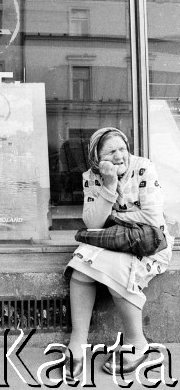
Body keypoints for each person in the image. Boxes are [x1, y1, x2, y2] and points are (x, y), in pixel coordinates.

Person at [62, 127, 174, 380]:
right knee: (80, 265)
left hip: (147, 244)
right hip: (111, 241)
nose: (119, 155)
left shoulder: (143, 167)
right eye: (110, 151)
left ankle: (137, 343)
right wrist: (109, 186)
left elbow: (152, 218)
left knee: (117, 268)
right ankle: (77, 342)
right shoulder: (91, 176)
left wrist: (112, 217)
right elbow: (92, 223)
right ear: (96, 157)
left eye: (122, 148)